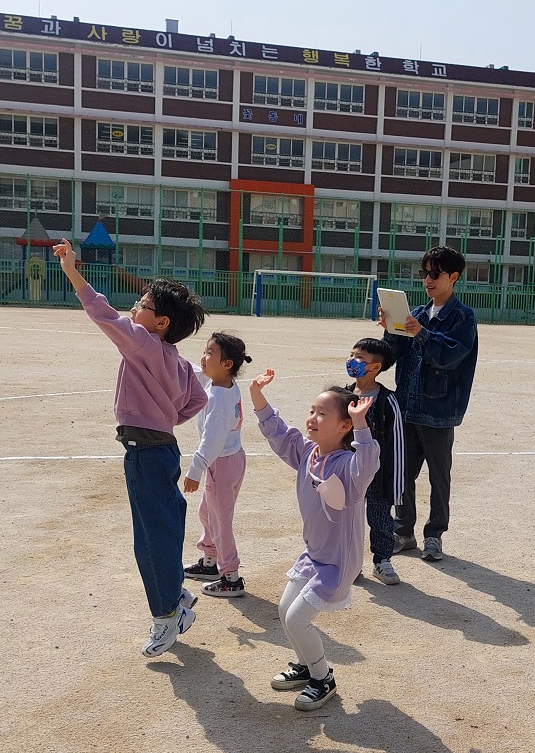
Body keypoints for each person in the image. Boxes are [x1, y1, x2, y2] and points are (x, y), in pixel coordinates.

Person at [52, 238, 208, 658]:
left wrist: (71, 270)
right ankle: (176, 596)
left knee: (151, 537)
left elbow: (100, 312)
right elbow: (198, 400)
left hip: (144, 452)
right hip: (163, 449)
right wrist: (168, 416)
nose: (134, 310)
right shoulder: (178, 360)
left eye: (142, 305)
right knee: (164, 527)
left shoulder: (143, 343)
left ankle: (166, 615)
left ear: (160, 323)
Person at [249, 369, 377, 711]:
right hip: (313, 555)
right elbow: (280, 433)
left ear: (344, 426)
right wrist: (257, 395)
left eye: (322, 414)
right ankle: (306, 666)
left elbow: (368, 464)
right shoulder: (308, 453)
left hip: (338, 562)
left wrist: (362, 424)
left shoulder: (349, 465)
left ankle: (323, 678)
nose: (312, 418)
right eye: (311, 411)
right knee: (283, 609)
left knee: (296, 619)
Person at [378, 246, 478, 562]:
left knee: (439, 475)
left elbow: (449, 356)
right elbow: (392, 355)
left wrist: (421, 333)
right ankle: (403, 531)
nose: (427, 280)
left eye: (434, 274)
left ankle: (434, 534)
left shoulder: (462, 317)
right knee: (402, 474)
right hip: (407, 406)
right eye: (424, 273)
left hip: (438, 410)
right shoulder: (417, 314)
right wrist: (390, 328)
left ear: (453, 277)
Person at [181, 332, 251, 598]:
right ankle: (210, 562)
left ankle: (231, 577)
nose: (204, 357)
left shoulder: (219, 399)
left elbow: (212, 439)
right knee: (207, 513)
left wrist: (195, 469)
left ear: (227, 364)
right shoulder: (220, 384)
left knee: (221, 521)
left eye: (210, 353)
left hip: (220, 463)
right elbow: (194, 370)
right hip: (227, 460)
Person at [342, 337, 405, 585]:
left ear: (375, 367)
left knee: (380, 518)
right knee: (349, 520)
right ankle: (350, 563)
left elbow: (397, 444)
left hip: (378, 475)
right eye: (352, 354)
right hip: (348, 471)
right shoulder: (343, 396)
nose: (352, 361)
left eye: (360, 358)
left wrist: (395, 483)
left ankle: (382, 561)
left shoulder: (389, 401)